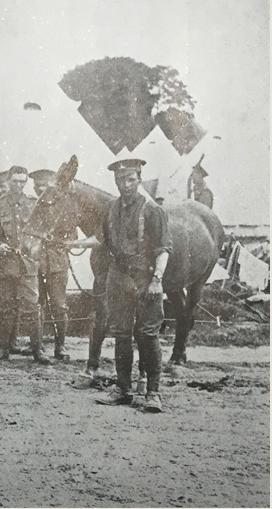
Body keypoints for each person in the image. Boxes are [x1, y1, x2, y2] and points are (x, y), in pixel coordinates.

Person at [97, 159, 171, 413]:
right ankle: (122, 388)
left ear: (139, 179)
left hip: (145, 278)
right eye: (120, 180)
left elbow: (163, 250)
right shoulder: (110, 208)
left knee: (148, 335)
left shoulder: (152, 211)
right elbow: (102, 242)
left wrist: (157, 281)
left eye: (130, 179)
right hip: (118, 277)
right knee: (121, 334)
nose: (125, 185)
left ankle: (153, 392)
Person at [0, 166, 50, 364]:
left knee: (32, 307)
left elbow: (42, 232)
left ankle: (38, 350)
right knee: (5, 306)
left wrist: (33, 249)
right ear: (8, 181)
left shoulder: (33, 204)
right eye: (15, 181)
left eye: (22, 181)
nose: (19, 185)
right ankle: (3, 349)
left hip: (27, 265)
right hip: (3, 264)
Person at [29, 168, 73, 361]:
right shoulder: (31, 205)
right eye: (37, 185)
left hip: (57, 261)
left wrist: (61, 242)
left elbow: (73, 235)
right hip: (34, 261)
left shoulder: (65, 206)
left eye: (44, 185)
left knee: (58, 305)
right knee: (36, 305)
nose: (40, 189)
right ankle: (37, 349)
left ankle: (60, 346)